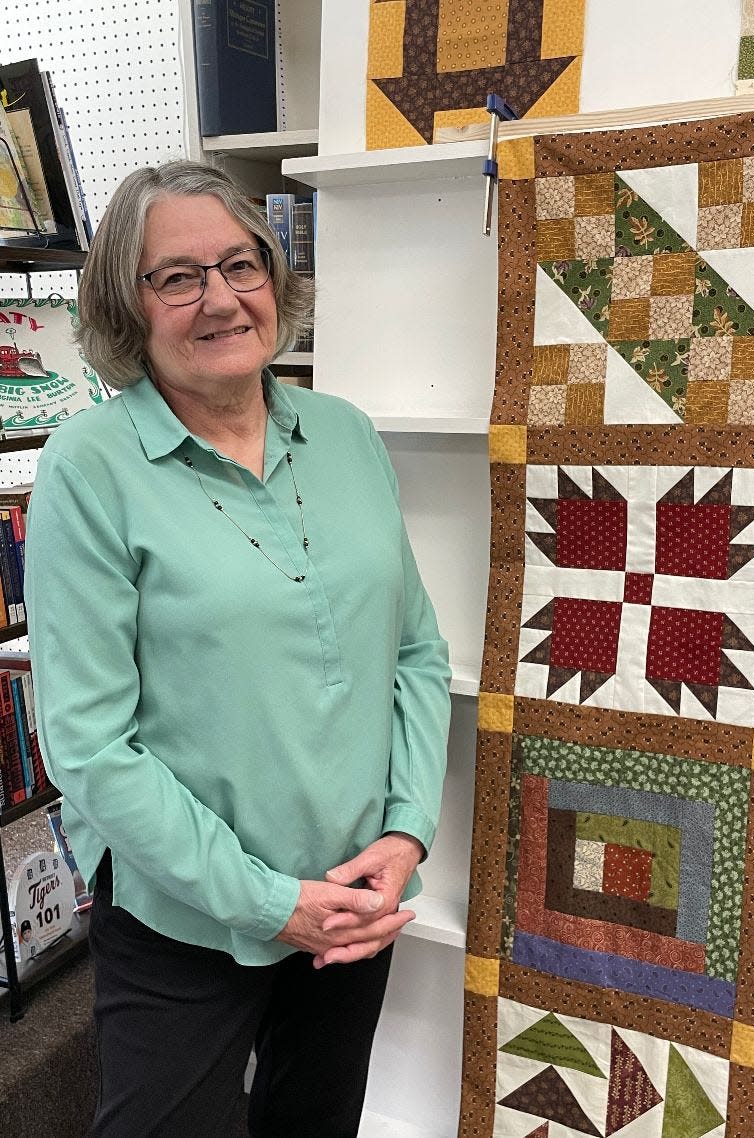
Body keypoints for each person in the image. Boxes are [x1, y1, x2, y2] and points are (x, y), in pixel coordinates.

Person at [24, 160, 451, 1137]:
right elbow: (89, 746)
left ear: (275, 275)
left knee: (313, 1121)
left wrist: (404, 832)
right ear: (124, 309)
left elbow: (414, 656)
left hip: (348, 898)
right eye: (176, 277)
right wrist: (263, 900)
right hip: (185, 915)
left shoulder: (343, 434)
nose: (219, 298)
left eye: (239, 263)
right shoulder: (89, 470)